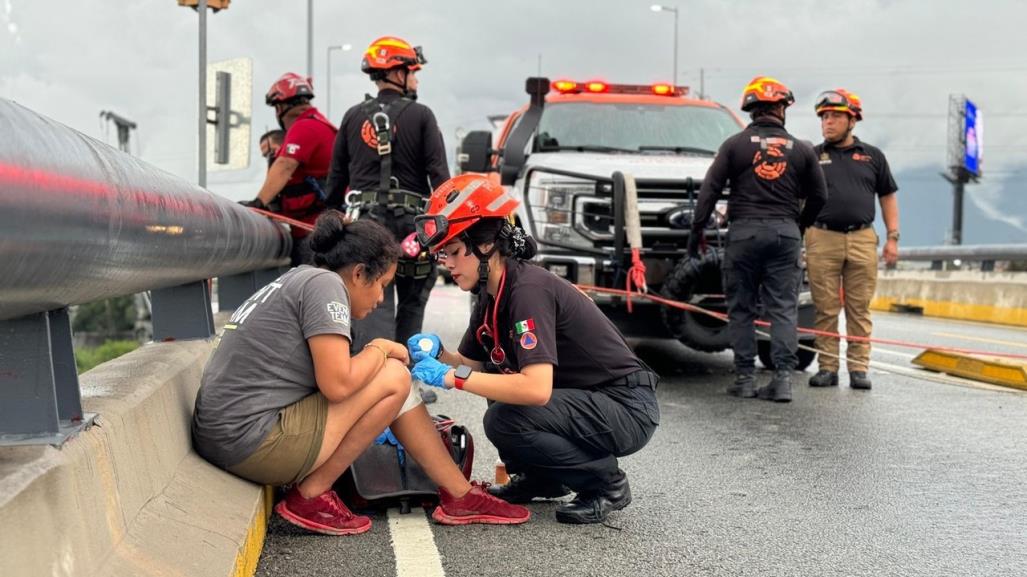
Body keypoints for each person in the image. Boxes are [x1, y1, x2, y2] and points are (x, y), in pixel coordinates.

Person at [191, 211, 529, 536]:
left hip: (226, 436)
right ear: (358, 273)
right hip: (251, 442)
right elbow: (338, 385)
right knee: (394, 376)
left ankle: (459, 494)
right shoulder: (325, 286)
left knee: (389, 376)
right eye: (382, 284)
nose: (382, 299)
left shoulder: (300, 277)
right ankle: (312, 496)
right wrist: (380, 347)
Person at [406, 174, 660, 525]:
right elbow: (474, 364)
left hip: (626, 407)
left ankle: (606, 484)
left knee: (505, 415)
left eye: (451, 252)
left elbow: (536, 390)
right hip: (590, 399)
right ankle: (543, 477)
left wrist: (451, 377)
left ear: (484, 245)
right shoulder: (492, 293)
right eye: (442, 254)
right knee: (498, 383)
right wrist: (437, 354)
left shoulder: (528, 290)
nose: (446, 264)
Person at [326, 36, 450, 403]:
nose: (416, 80)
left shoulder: (351, 117)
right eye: (414, 72)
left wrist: (331, 228)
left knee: (370, 304)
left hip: (366, 228)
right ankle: (405, 388)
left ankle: (369, 384)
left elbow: (335, 183)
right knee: (411, 305)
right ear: (398, 71)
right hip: (412, 229)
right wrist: (442, 229)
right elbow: (439, 179)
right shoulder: (422, 115)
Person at [689, 76, 828, 402]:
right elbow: (820, 196)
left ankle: (745, 378)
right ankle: (782, 380)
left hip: (744, 234)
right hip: (785, 234)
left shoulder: (734, 145)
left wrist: (697, 233)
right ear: (782, 109)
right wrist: (799, 225)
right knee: (782, 309)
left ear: (751, 110)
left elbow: (708, 192)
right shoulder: (803, 150)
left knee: (742, 308)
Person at [806, 89, 899, 391]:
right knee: (825, 307)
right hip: (821, 237)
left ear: (852, 120)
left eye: (834, 116)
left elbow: (887, 196)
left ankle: (859, 368)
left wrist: (892, 237)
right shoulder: (813, 156)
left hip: (862, 237)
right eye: (823, 117)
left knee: (859, 307)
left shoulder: (872, 157)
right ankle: (827, 367)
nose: (827, 123)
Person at [242, 73, 339, 266]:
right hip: (320, 229)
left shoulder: (305, 127)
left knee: (308, 291)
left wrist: (258, 203)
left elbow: (285, 165)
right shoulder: (322, 126)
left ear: (281, 107)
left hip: (311, 233)